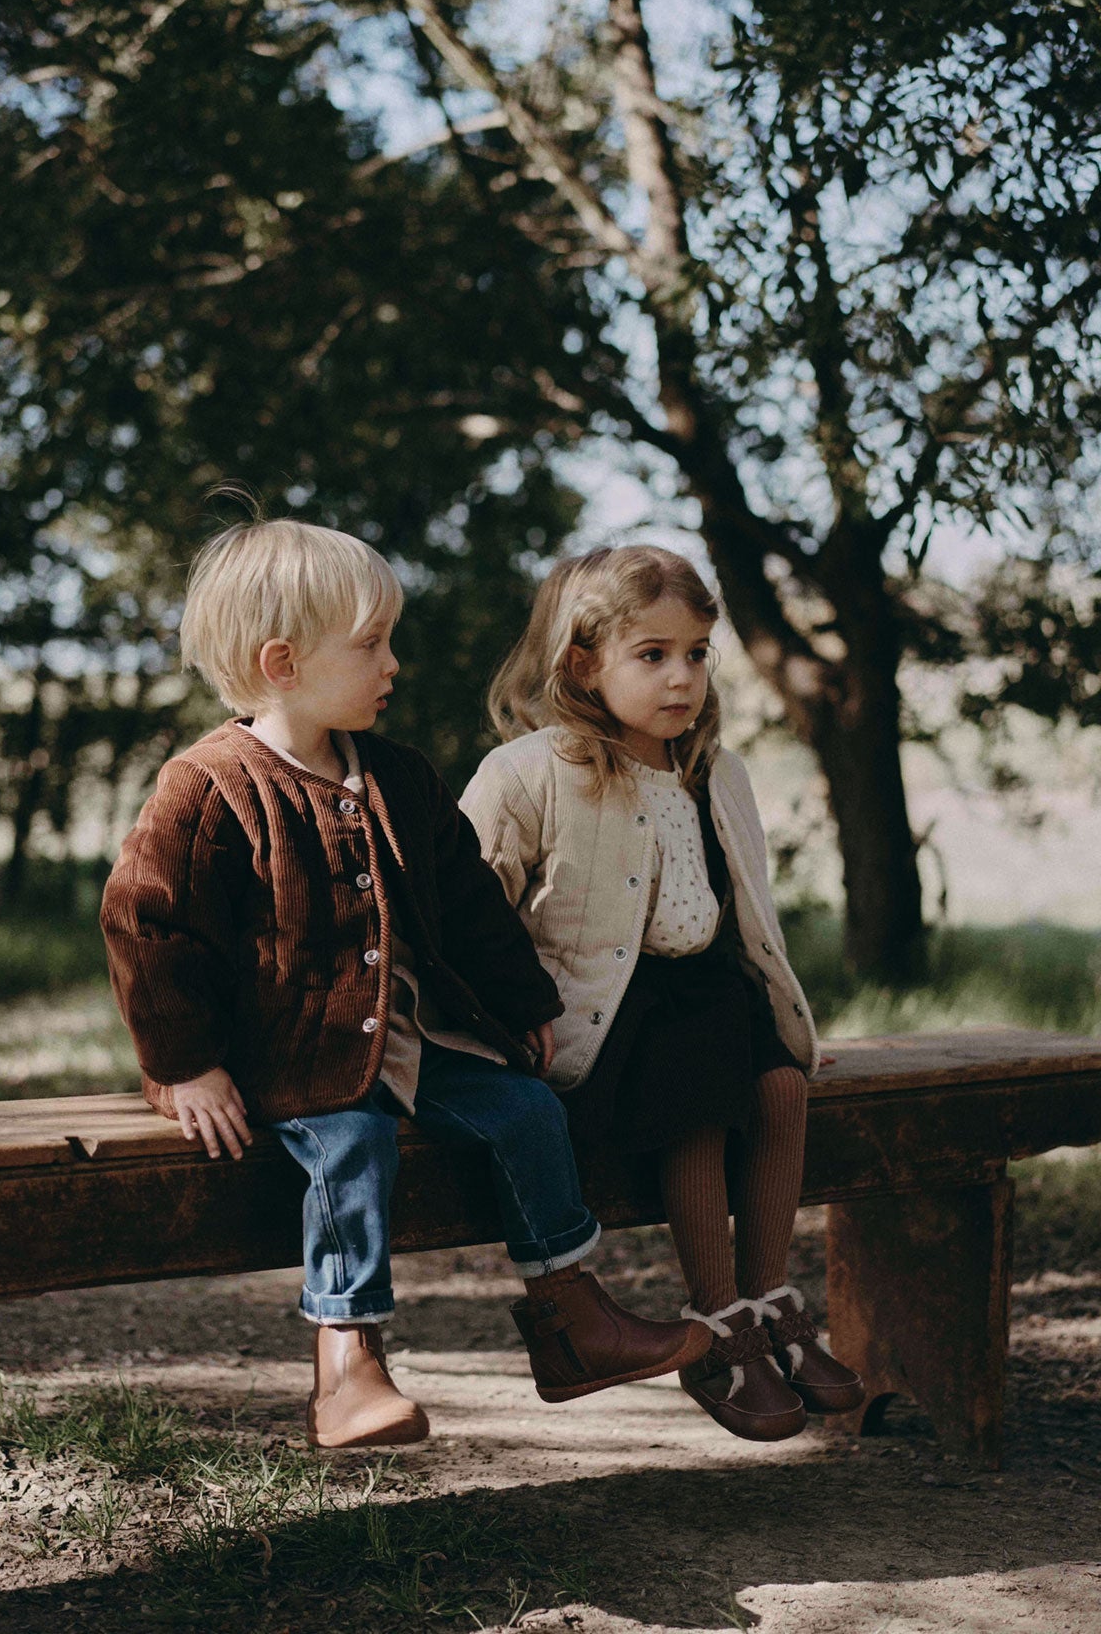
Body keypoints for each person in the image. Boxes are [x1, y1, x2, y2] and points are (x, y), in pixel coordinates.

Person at [101, 518, 710, 1451]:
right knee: (354, 1148)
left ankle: (571, 1315)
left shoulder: (399, 775)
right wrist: (186, 1066)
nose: (394, 663)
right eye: (373, 643)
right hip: (282, 1055)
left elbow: (470, 903)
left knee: (524, 1112)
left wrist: (523, 1003)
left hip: (405, 1040)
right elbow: (147, 924)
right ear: (283, 661)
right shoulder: (208, 786)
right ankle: (346, 1361)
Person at [460, 544, 864, 1443]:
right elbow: (463, 917)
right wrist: (502, 1026)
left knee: (782, 1084)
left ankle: (769, 1308)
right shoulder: (529, 773)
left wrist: (789, 1023)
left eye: (696, 652)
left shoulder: (716, 771)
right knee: (705, 1092)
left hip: (710, 998)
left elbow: (748, 916)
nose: (681, 677)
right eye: (652, 654)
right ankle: (718, 1329)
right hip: (602, 1028)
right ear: (582, 662)